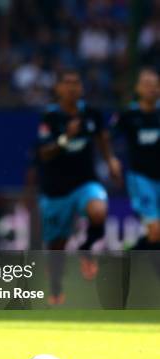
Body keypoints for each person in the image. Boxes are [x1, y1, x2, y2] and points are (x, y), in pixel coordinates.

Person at [35, 70, 122, 305]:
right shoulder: (50, 117)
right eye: (67, 83)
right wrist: (66, 138)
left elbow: (102, 139)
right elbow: (43, 153)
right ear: (59, 89)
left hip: (86, 183)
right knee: (56, 247)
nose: (72, 87)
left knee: (98, 211)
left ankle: (86, 247)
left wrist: (111, 161)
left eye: (76, 83)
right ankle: (55, 289)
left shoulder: (91, 114)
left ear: (81, 88)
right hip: (56, 190)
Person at [111, 68, 160, 251]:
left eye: (156, 85)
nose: (152, 89)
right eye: (147, 85)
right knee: (156, 231)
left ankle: (129, 254)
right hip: (140, 178)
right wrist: (112, 159)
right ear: (138, 88)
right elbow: (107, 137)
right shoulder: (129, 115)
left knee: (155, 236)